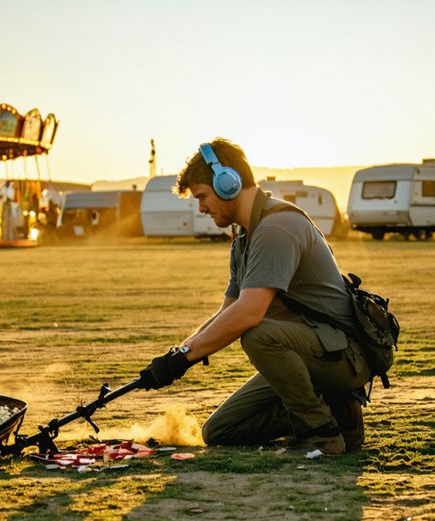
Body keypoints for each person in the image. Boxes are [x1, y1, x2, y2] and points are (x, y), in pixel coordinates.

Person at [137, 138, 370, 455]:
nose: (201, 207)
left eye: (202, 196)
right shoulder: (244, 238)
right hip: (310, 355)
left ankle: (321, 434)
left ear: (228, 183)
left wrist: (184, 358)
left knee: (258, 335)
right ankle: (336, 411)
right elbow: (227, 313)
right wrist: (177, 356)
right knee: (220, 431)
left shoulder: (277, 228)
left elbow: (248, 314)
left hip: (343, 357)